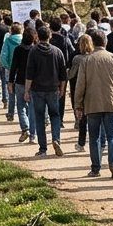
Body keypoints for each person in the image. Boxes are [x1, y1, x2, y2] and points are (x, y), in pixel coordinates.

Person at [73, 29, 113, 179]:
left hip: (92, 104)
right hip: (112, 102)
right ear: (105, 42)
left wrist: (78, 105)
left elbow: (80, 85)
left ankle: (95, 168)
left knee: (94, 137)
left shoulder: (86, 60)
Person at [25, 25, 68, 157]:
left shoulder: (33, 51)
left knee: (39, 118)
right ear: (50, 36)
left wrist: (26, 90)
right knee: (55, 115)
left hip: (37, 90)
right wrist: (62, 89)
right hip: (53, 89)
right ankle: (56, 139)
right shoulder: (57, 52)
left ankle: (43, 148)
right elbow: (63, 74)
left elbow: (29, 73)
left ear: (38, 36)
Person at [9, 28, 34, 141]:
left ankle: (25, 129)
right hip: (33, 82)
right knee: (32, 107)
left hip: (20, 81)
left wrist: (10, 82)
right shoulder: (35, 50)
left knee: (21, 106)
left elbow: (13, 67)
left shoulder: (18, 49)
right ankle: (33, 133)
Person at [1, 23, 24, 119]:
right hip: (23, 70)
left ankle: (11, 113)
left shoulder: (8, 40)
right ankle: (24, 114)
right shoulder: (24, 40)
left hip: (10, 70)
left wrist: (7, 66)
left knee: (11, 92)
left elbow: (3, 56)